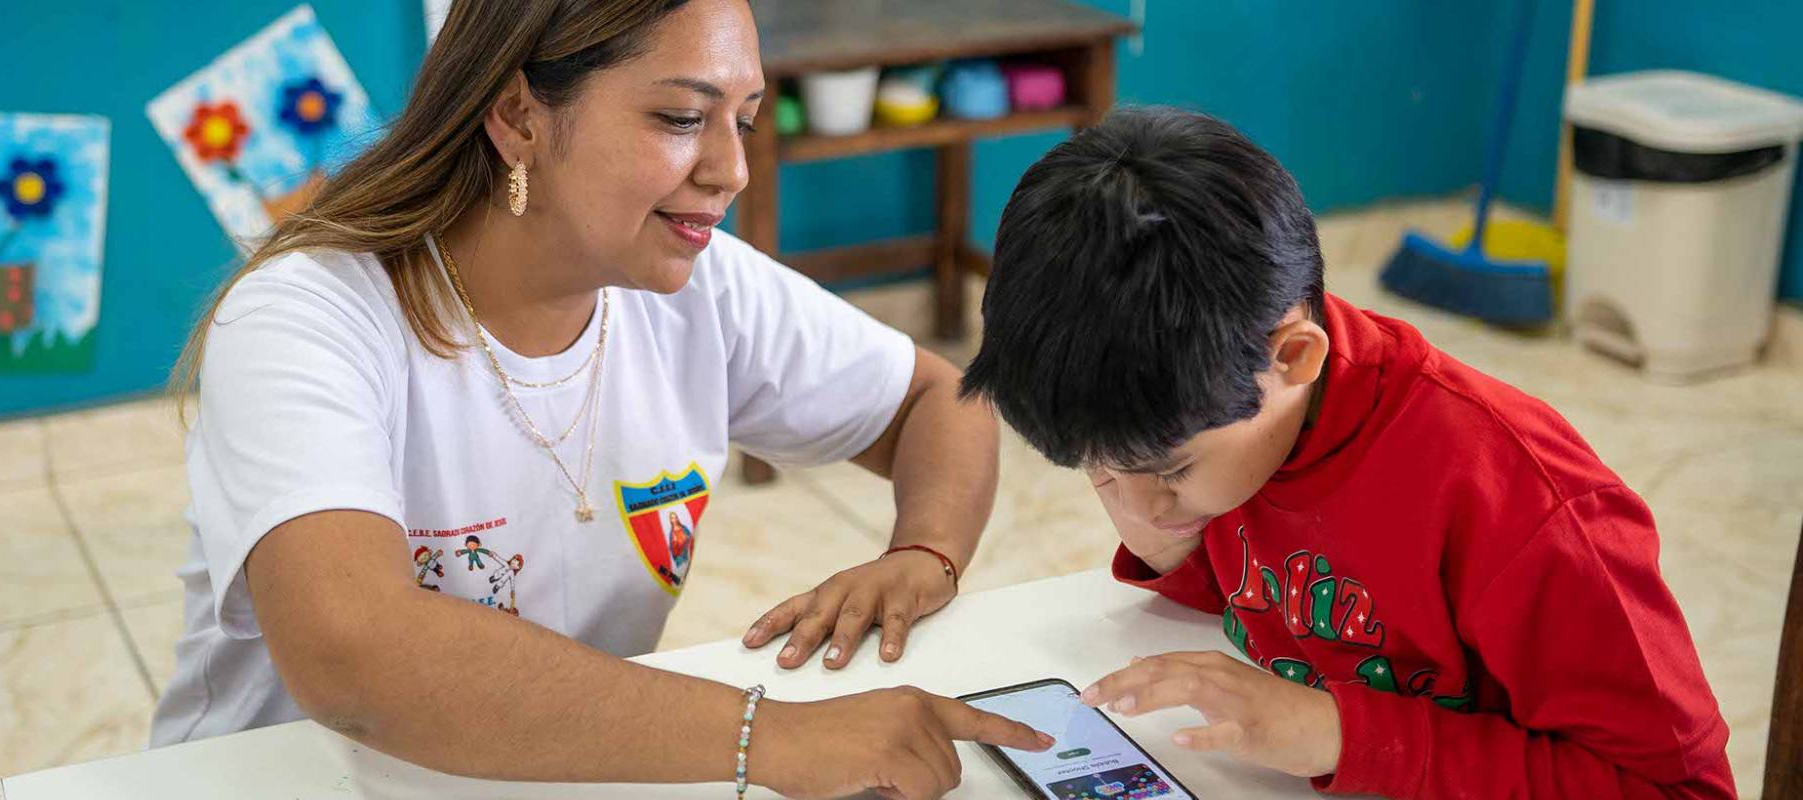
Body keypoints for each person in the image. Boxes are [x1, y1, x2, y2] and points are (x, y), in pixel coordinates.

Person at [151, 0, 1050, 796]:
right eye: (681, 117)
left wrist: (927, 552)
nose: (731, 169)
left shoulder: (704, 289)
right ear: (518, 117)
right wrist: (766, 736)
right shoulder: (306, 314)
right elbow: (352, 655)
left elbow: (938, 399)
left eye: (744, 119)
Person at [959, 107, 1734, 798]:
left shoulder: (1524, 501)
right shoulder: (1227, 405)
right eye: (1102, 473)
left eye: (1167, 472)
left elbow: (1678, 787)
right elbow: (1272, 596)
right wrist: (1174, 552)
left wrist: (1338, 734)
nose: (1134, 506)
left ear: (1294, 358)